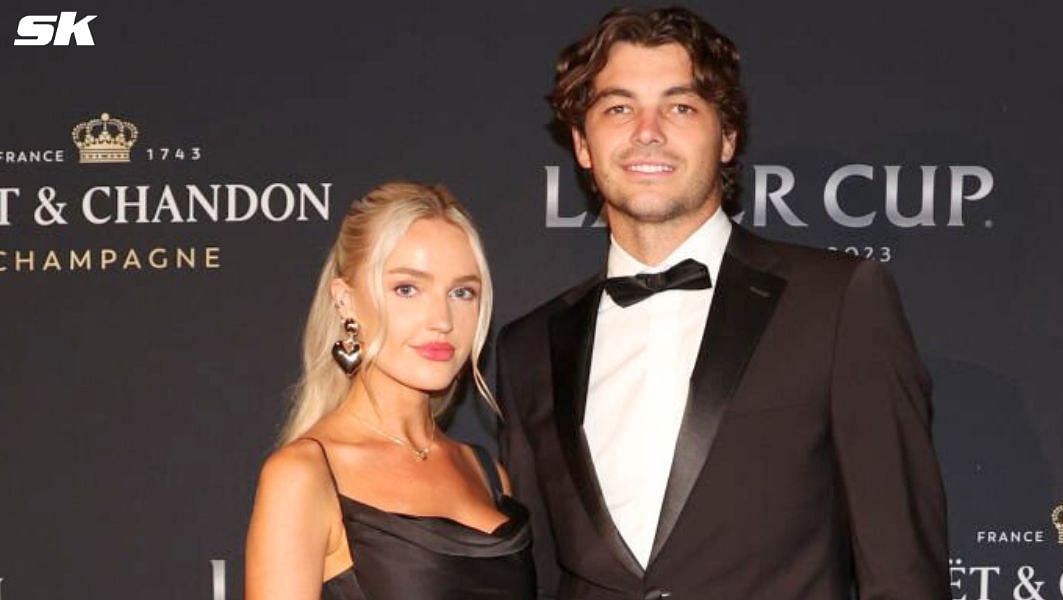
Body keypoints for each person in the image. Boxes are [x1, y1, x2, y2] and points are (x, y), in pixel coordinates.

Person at [497, 7, 950, 599]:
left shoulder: (837, 302)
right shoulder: (527, 347)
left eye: (680, 107)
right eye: (618, 107)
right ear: (582, 144)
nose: (647, 131)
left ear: (728, 136)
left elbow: (902, 574)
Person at [245, 182, 535, 599]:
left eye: (462, 292)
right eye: (407, 289)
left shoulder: (487, 473)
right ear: (345, 301)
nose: (442, 319)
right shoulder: (304, 476)